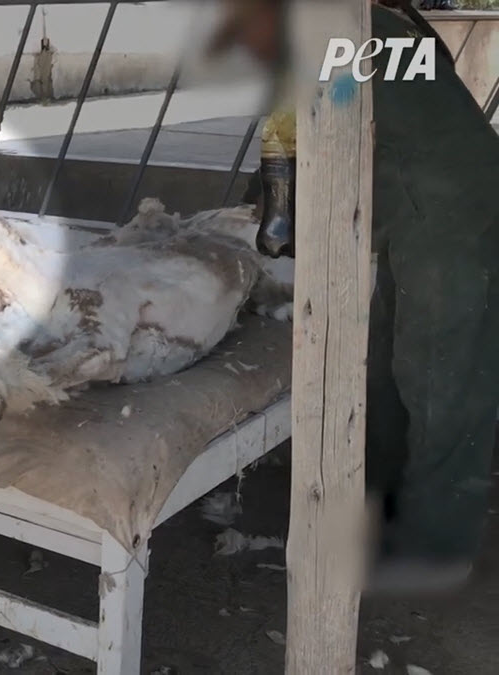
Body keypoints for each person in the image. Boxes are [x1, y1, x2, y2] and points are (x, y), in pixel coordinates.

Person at [213, 0, 499, 592]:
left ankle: (434, 547)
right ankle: (378, 506)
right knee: (392, 366)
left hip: (456, 212)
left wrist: (270, 218)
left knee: (445, 381)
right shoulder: (374, 21)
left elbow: (295, 140)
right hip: (419, 210)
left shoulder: (332, 32)